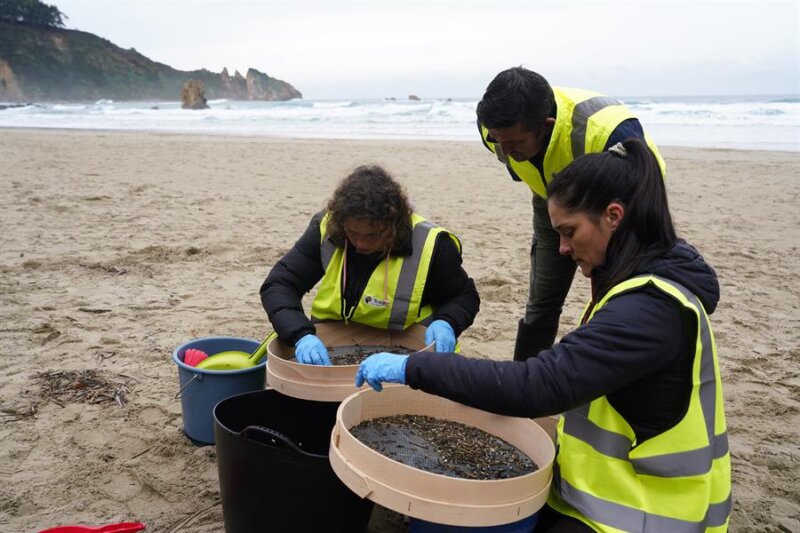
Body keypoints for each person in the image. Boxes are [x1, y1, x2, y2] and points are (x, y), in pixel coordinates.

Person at [356, 139, 731, 532]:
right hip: (599, 493)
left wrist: (416, 367)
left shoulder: (648, 310)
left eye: (569, 232)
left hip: (643, 515)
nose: (564, 249)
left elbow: (539, 385)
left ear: (613, 216)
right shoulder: (636, 283)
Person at [476, 66, 666, 361]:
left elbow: (641, 196)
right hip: (551, 199)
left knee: (612, 296)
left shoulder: (606, 132)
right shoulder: (494, 130)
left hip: (624, 207)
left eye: (515, 143)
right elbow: (524, 166)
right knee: (542, 301)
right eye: (499, 140)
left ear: (546, 126)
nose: (505, 149)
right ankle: (524, 383)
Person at [260, 164, 480, 365]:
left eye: (374, 234)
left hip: (408, 356)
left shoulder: (431, 244)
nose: (361, 243)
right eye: (353, 232)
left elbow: (463, 296)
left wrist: (447, 323)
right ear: (340, 221)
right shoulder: (326, 227)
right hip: (332, 349)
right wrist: (301, 335)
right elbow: (280, 284)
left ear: (394, 225)